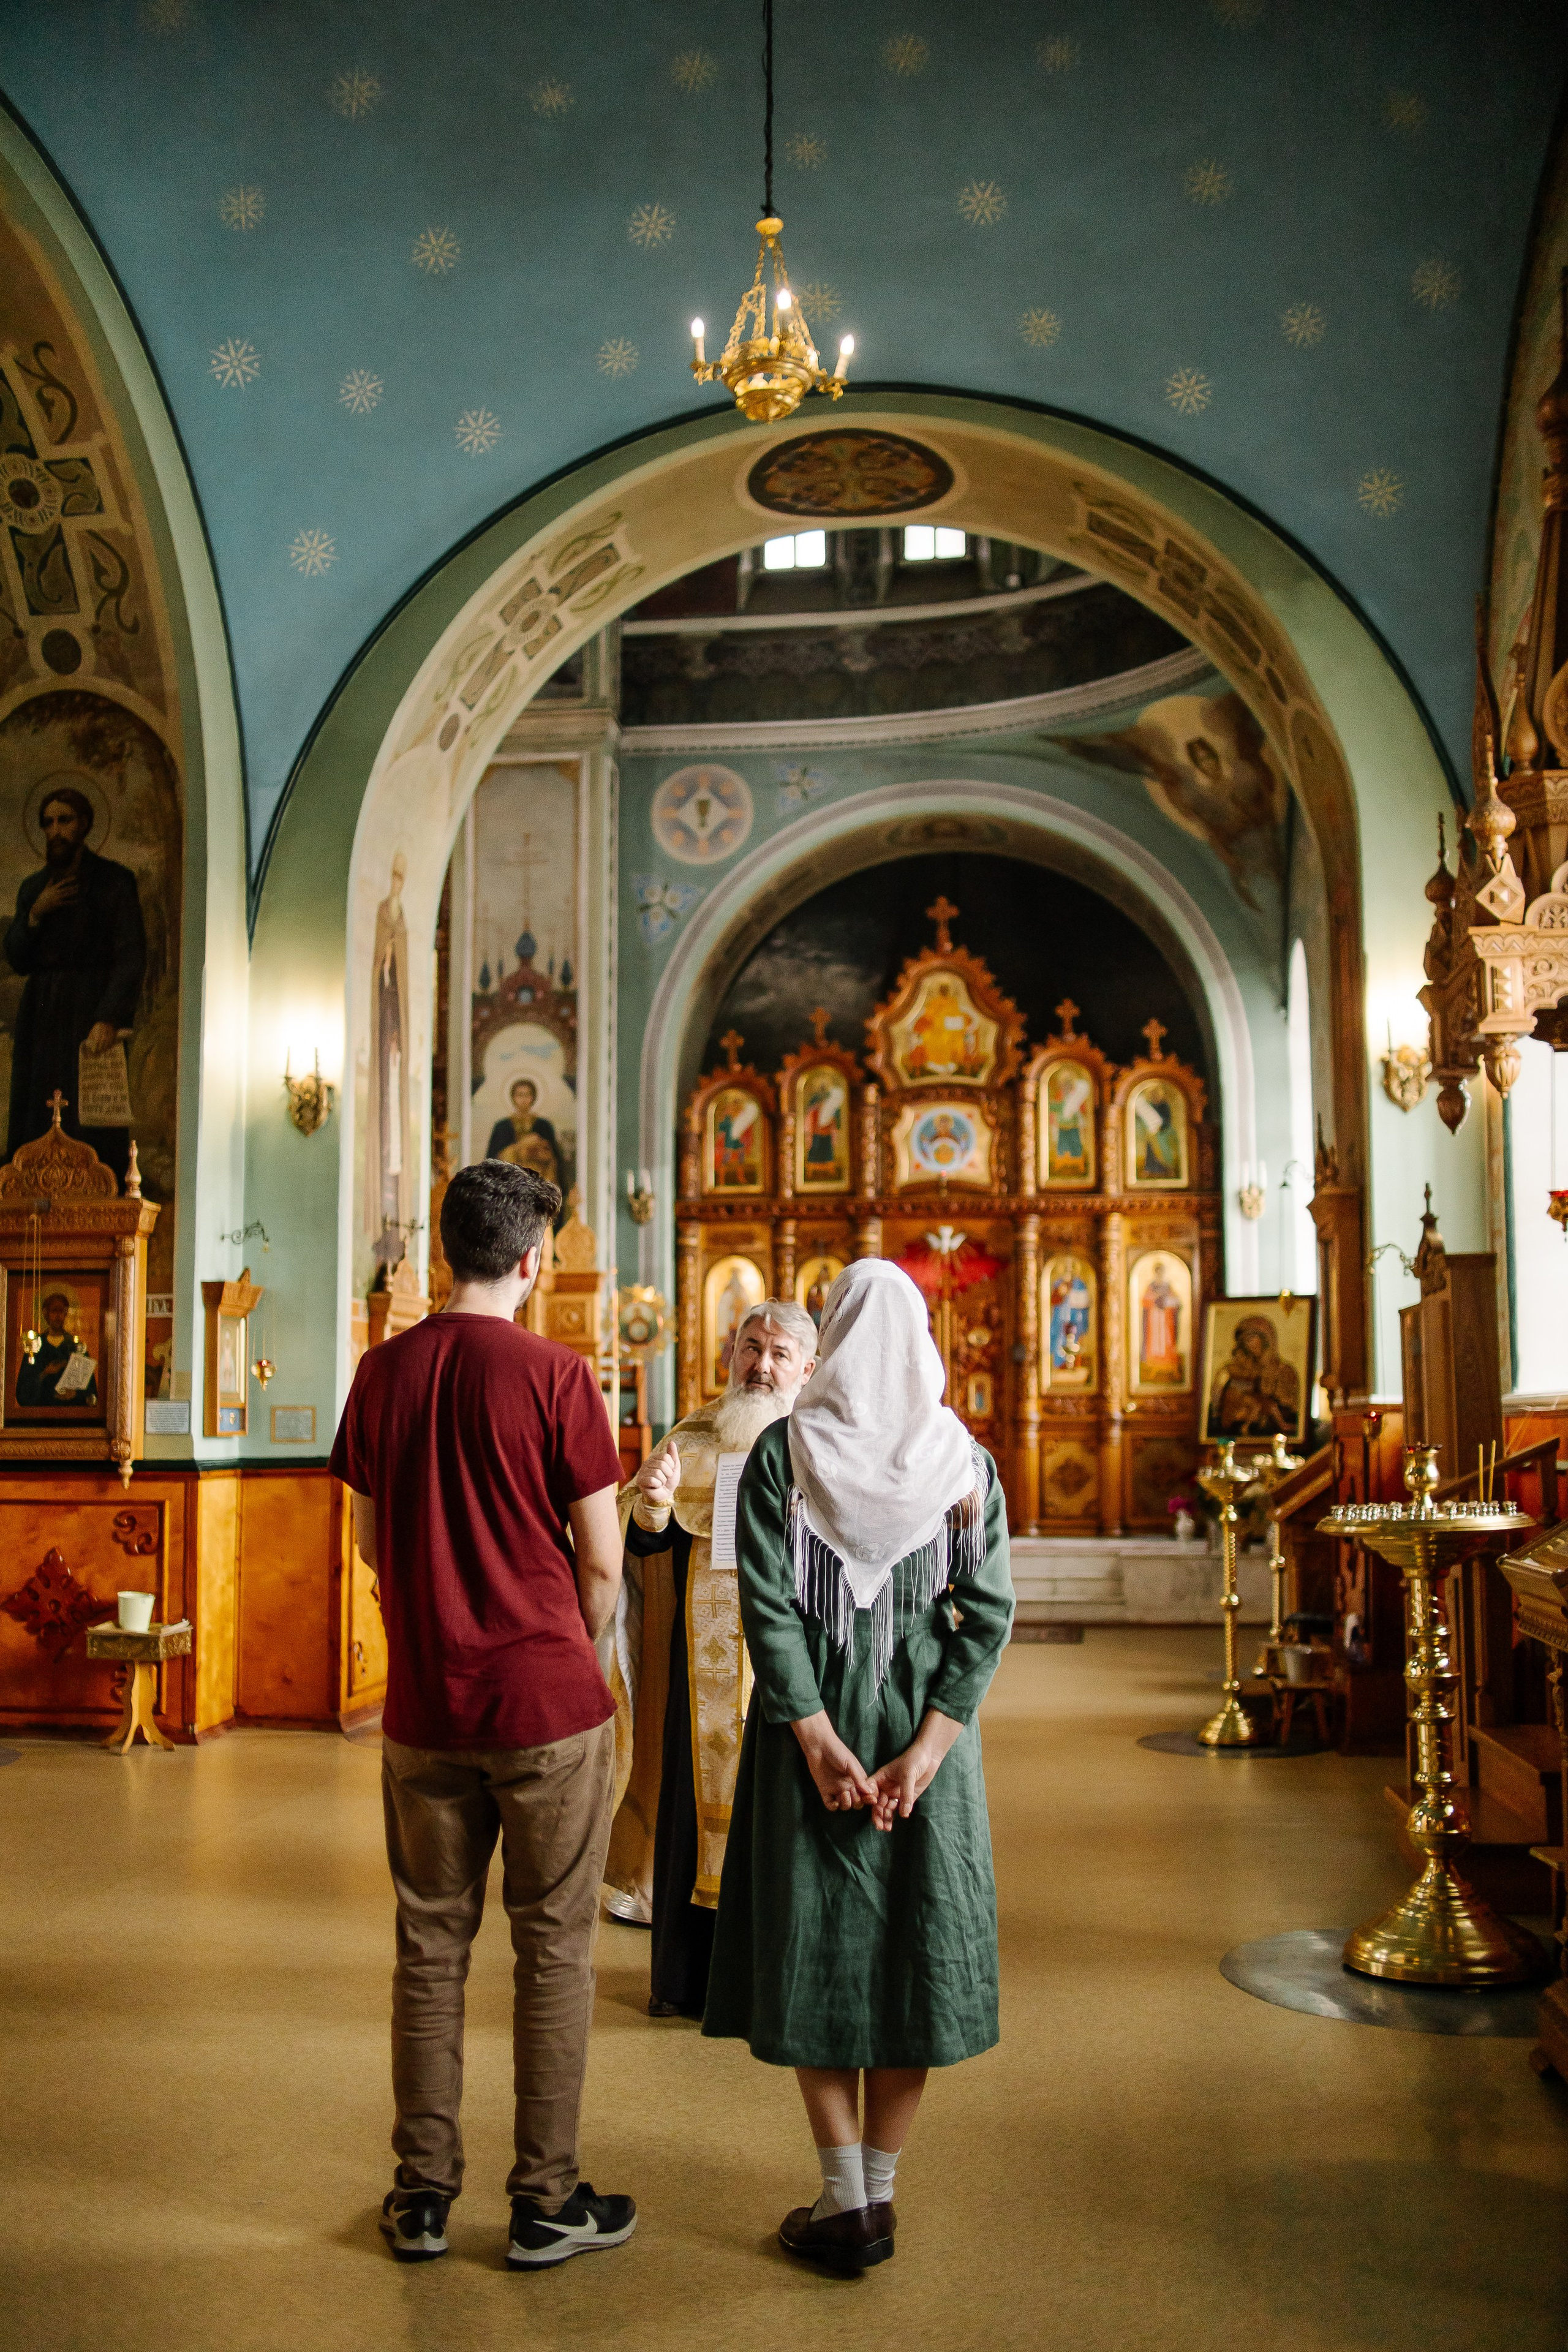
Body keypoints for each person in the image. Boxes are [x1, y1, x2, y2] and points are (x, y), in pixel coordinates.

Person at [330, 1159, 635, 2272]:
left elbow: (367, 1541)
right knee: (553, 1947)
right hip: (547, 1703)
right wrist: (577, 1650)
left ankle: (421, 2197)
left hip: (422, 1706)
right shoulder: (559, 1376)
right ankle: (545, 2202)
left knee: (429, 1947)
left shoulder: (382, 1372)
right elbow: (600, 1563)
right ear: (531, 1258)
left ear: (450, 1247)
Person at [703, 1259, 1014, 2274]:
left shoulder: (787, 1455)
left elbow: (770, 1610)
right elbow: (989, 1618)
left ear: (830, 1340)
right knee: (913, 1953)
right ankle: (876, 2193)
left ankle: (847, 2202)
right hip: (926, 1735)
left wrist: (815, 1737)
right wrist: (926, 1750)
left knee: (819, 1943)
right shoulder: (961, 1460)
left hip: (812, 1735)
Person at [603, 1302, 818, 2017]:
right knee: (693, 1810)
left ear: (808, 1369)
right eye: (750, 1347)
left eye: (780, 1353)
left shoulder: (825, 1444)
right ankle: (689, 1984)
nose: (761, 1365)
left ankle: (775, 1984)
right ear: (730, 1355)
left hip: (797, 1670)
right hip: (703, 1666)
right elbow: (644, 1552)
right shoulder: (695, 1436)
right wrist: (655, 1504)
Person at [4, 782, 145, 1183]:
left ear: (83, 824)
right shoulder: (34, 889)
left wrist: (109, 1017)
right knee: (39, 1103)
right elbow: (17, 957)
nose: (55, 831)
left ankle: (100, 1197)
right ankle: (29, 1189)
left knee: (90, 1118)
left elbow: (131, 955)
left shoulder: (114, 882)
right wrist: (34, 916)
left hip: (89, 1009)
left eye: (64, 820)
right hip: (42, 1015)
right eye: (48, 823)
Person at [486, 1076, 561, 1188]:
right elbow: (492, 1161)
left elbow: (553, 1159)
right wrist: (520, 1147)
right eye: (519, 1095)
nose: (523, 1099)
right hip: (509, 1184)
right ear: (513, 1097)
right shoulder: (502, 1127)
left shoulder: (544, 1126)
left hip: (538, 1183)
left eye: (527, 1095)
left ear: (533, 1097)